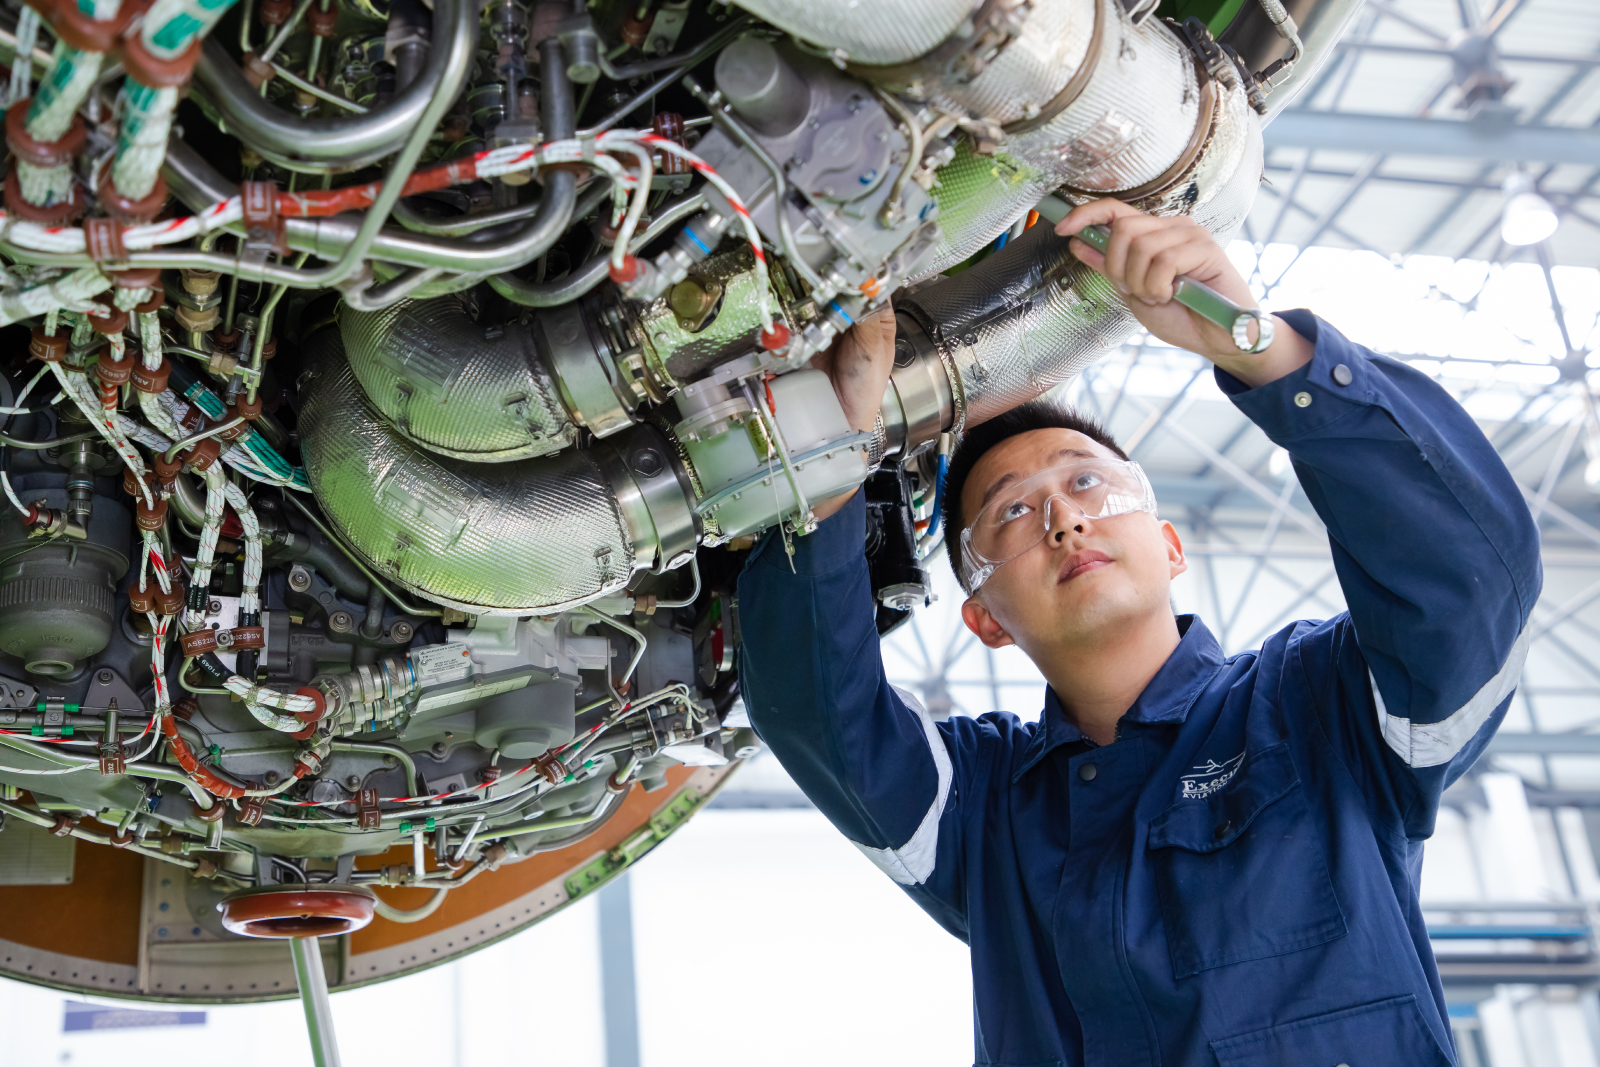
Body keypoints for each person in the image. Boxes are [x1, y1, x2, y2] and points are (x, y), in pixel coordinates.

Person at [735, 198, 1542, 1066]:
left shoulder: (1320, 707)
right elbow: (813, 709)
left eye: (1087, 482)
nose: (1062, 519)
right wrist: (826, 461)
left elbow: (1467, 580)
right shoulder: (981, 808)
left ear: (1168, 545)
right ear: (983, 619)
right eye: (1010, 512)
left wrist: (1255, 343)